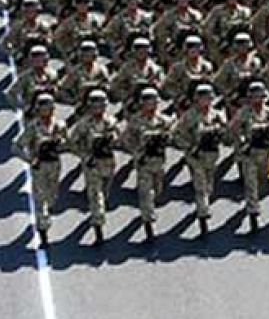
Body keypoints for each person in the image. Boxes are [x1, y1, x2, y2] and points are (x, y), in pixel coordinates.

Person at [68, 89, 121, 245]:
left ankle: (97, 214)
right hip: (92, 164)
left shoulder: (111, 122)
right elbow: (72, 143)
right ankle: (98, 228)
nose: (98, 109)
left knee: (104, 192)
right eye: (95, 106)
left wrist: (112, 139)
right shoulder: (83, 125)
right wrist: (85, 156)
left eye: (101, 105)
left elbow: (120, 139)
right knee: (96, 196)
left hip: (108, 162)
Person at [14, 91, 66, 248]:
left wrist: (59, 144)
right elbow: (16, 147)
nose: (45, 112)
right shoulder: (33, 128)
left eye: (48, 108)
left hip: (55, 165)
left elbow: (68, 144)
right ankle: (43, 233)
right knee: (40, 199)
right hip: (40, 167)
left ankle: (46, 214)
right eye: (42, 109)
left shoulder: (59, 126)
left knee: (52, 197)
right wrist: (31, 160)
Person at [174, 82, 226, 236]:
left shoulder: (217, 115)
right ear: (197, 99)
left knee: (209, 184)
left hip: (212, 155)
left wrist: (220, 132)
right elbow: (177, 135)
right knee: (200, 185)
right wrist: (189, 147)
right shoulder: (189, 116)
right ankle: (203, 213)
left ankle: (204, 203)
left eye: (209, 98)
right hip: (196, 156)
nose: (206, 101)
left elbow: (226, 133)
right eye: (203, 98)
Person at [123, 87, 173, 242]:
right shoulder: (135, 121)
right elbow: (126, 139)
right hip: (143, 162)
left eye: (154, 102)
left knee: (158, 189)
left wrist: (164, 138)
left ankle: (149, 209)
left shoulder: (163, 120)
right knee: (146, 192)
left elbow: (173, 136)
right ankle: (148, 222)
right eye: (148, 103)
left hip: (159, 161)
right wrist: (137, 151)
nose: (151, 105)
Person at [230, 81, 269, 232]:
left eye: (260, 97)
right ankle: (253, 211)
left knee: (261, 180)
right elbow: (234, 128)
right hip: (249, 153)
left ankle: (254, 200)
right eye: (254, 97)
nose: (257, 100)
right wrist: (241, 142)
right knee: (250, 182)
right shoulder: (243, 113)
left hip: (265, 152)